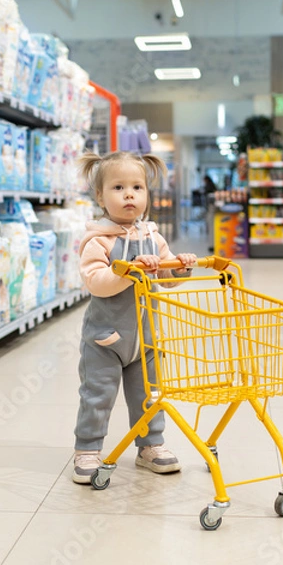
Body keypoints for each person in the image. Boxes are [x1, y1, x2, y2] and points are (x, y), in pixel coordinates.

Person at [73, 151, 197, 484]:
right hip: (106, 338)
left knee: (150, 395)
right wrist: (129, 272)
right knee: (97, 395)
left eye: (138, 187)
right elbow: (97, 283)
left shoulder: (153, 238)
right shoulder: (98, 241)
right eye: (118, 187)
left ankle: (150, 445)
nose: (130, 194)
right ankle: (87, 448)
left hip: (146, 337)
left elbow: (168, 276)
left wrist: (180, 265)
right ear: (100, 196)